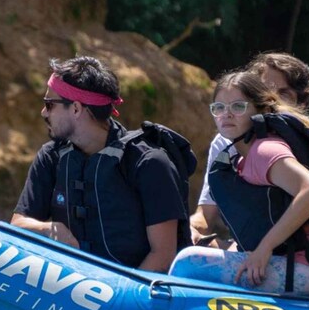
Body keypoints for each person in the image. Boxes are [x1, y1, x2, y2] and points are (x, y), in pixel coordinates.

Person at [170, 71, 309, 296]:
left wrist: (264, 249)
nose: (226, 114)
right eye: (218, 108)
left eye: (238, 107)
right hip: (306, 265)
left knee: (189, 263)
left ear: (261, 110)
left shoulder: (265, 150)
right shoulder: (240, 156)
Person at [11, 56, 188, 272]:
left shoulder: (149, 162)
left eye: (49, 104)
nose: (43, 112)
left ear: (76, 109)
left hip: (132, 295)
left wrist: (118, 300)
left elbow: (163, 254)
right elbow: (18, 224)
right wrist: (49, 229)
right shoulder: (50, 157)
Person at [190, 52, 309, 248]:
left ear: (302, 103)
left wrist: (263, 249)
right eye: (262, 90)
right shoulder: (225, 140)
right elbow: (205, 215)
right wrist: (190, 230)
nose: (271, 99)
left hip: (305, 248)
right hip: (254, 243)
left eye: (283, 93)